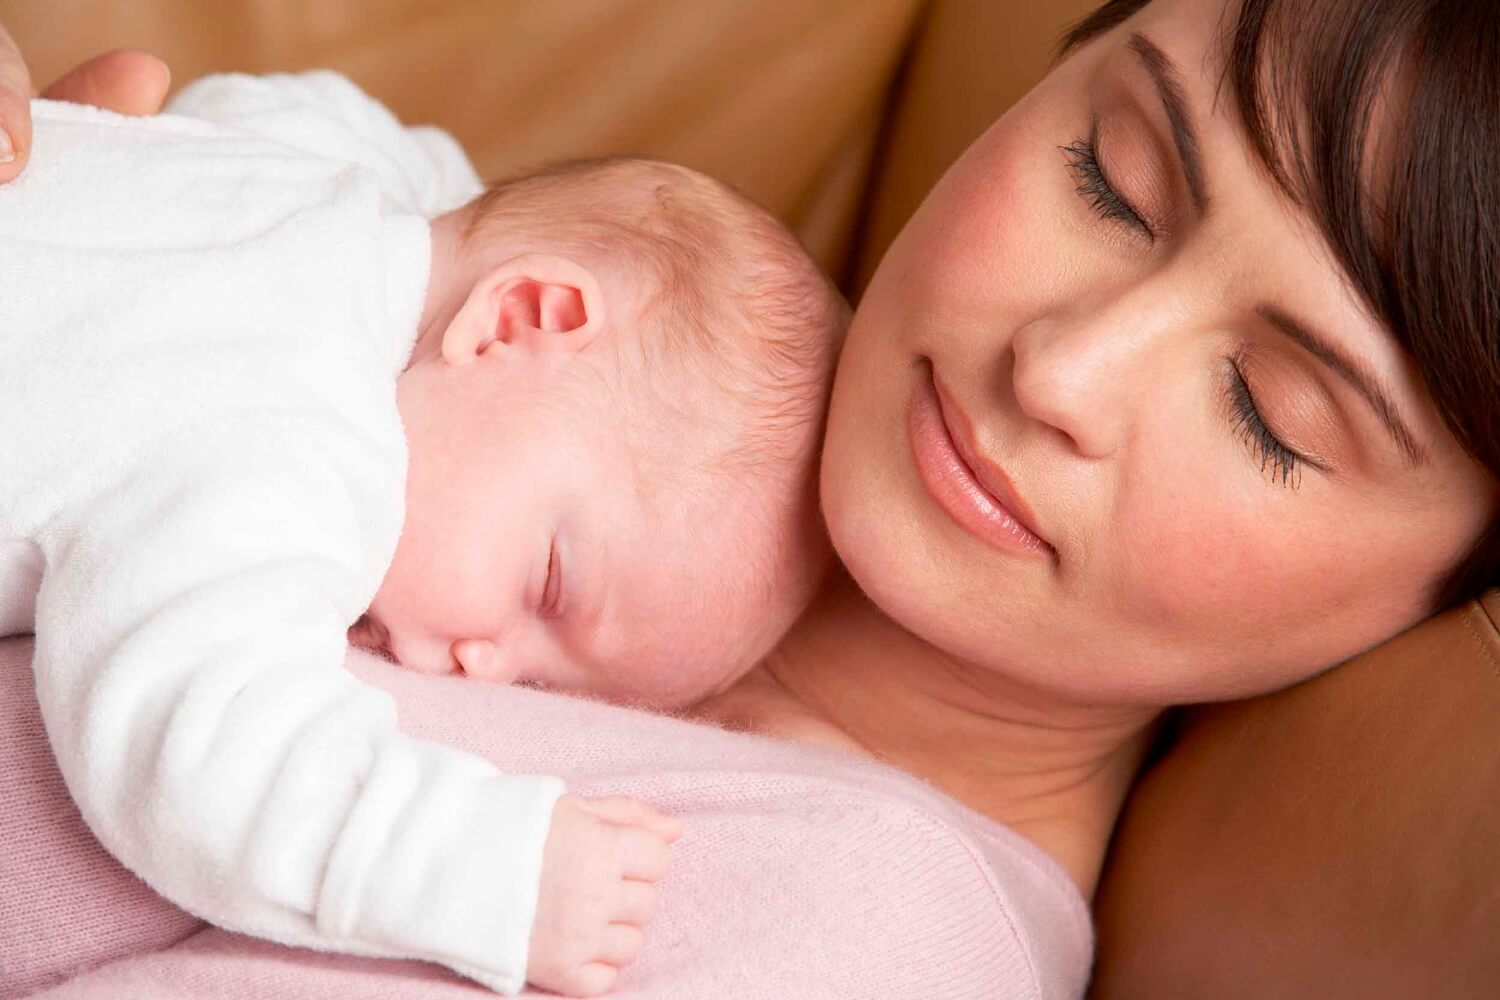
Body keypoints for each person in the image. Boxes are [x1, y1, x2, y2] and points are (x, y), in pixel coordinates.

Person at [3, 0, 1496, 994]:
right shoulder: (604, 301)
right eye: (1112, 178)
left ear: (1446, 595)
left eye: (1273, 413)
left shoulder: (861, 938)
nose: (1064, 367)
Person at [0, 70, 838, 996]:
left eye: (535, 685)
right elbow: (198, 753)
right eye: (547, 588)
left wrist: (482, 212)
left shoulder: (328, 173)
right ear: (515, 318)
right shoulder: (290, 451)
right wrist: (485, 868)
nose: (484, 670)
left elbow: (327, 111)